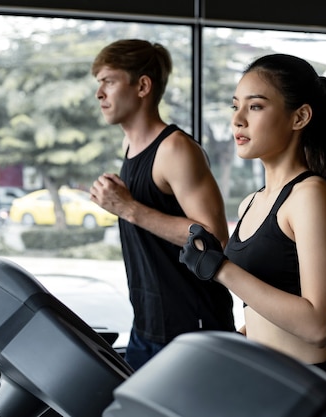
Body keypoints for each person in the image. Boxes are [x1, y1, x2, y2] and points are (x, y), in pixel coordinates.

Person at [179, 53, 326, 398]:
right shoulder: (250, 203)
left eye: (255, 107)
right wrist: (238, 339)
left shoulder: (310, 194)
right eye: (235, 106)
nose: (237, 120)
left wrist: (221, 269)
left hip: (311, 390)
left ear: (299, 117)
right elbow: (267, 308)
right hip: (267, 383)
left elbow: (317, 326)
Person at [88, 39, 235, 370]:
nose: (99, 93)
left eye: (108, 81)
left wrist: (128, 208)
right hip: (146, 327)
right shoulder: (131, 146)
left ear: (142, 86)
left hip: (192, 330)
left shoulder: (175, 150)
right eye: (98, 83)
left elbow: (214, 237)